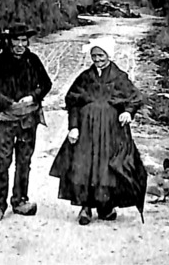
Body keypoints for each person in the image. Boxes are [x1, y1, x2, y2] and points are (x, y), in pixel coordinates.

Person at [49, 37, 148, 226]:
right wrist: (73, 127)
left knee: (107, 167)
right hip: (87, 130)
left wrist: (128, 112)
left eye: (101, 55)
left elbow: (135, 98)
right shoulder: (85, 77)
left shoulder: (119, 77)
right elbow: (73, 102)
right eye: (94, 56)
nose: (97, 59)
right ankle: (85, 207)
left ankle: (106, 206)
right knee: (84, 165)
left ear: (109, 55)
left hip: (111, 131)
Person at [0, 23, 52, 223]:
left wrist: (33, 97)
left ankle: (20, 200)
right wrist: (5, 102)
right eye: (16, 40)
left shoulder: (33, 61)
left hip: (28, 119)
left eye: (24, 40)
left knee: (24, 161)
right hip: (5, 119)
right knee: (2, 161)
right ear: (9, 41)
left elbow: (46, 84)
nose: (21, 45)